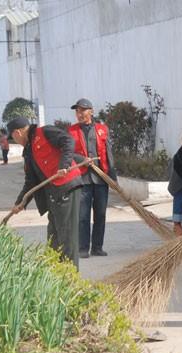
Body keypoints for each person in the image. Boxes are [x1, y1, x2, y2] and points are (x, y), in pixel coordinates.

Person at [8, 116, 86, 269]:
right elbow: (31, 181)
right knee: (53, 238)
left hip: (67, 188)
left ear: (17, 133)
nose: (15, 140)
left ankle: (72, 280)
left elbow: (68, 141)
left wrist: (64, 165)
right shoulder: (28, 151)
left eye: (13, 138)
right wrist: (20, 203)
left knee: (67, 237)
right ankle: (55, 276)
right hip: (53, 194)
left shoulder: (44, 132)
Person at [68, 98, 117, 258]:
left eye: (83, 110)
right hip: (82, 179)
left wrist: (113, 178)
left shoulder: (102, 129)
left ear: (91, 111)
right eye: (77, 111)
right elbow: (67, 154)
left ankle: (97, 247)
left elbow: (108, 154)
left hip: (101, 178)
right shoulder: (71, 131)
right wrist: (82, 160)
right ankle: (83, 248)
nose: (79, 114)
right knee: (82, 215)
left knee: (100, 214)